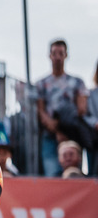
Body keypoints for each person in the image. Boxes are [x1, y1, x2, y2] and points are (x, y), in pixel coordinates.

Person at [36, 40, 89, 177]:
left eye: (61, 53)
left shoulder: (77, 82)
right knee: (52, 175)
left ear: (66, 55)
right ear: (50, 55)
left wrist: (63, 128)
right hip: (50, 135)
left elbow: (81, 108)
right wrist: (56, 130)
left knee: (74, 175)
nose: (58, 57)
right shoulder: (42, 83)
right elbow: (41, 111)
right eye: (55, 53)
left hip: (72, 134)